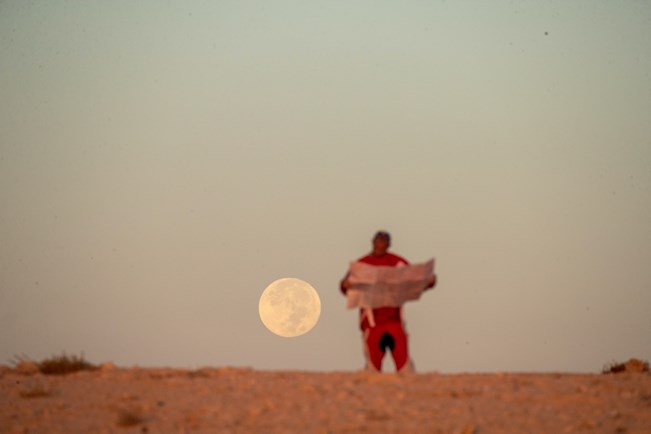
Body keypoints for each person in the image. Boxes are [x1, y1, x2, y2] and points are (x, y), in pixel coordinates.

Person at [340, 231, 436, 373]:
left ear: (389, 244)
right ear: (372, 242)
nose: (380, 244)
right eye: (378, 241)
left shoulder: (398, 262)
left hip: (394, 320)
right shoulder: (362, 264)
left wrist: (428, 283)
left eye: (384, 241)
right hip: (371, 322)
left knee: (405, 366)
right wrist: (345, 284)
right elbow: (345, 287)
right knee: (373, 367)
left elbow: (414, 283)